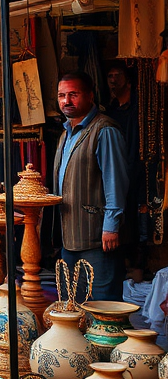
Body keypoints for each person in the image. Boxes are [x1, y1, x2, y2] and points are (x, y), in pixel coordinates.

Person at [55, 72, 128, 301]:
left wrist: (111, 226)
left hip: (98, 238)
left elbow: (115, 179)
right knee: (72, 308)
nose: (66, 101)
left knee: (102, 306)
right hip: (70, 237)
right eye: (61, 95)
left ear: (90, 96)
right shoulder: (66, 133)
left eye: (73, 95)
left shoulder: (104, 130)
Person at [105, 61, 144, 257]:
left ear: (128, 81)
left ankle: (137, 258)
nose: (113, 81)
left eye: (117, 76)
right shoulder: (111, 110)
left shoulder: (138, 108)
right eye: (110, 76)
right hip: (119, 167)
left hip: (136, 165)